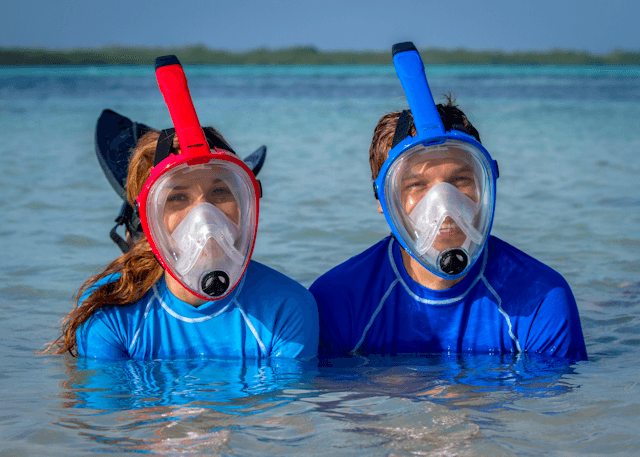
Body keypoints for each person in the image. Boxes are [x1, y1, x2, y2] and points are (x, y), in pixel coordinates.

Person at [310, 42, 587, 360]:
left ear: (487, 185)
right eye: (417, 184)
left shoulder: (540, 297)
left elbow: (558, 407)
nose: (443, 203)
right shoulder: (338, 300)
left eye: (460, 180)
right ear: (383, 200)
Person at [45, 56, 318, 360]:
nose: (204, 217)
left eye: (220, 192)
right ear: (148, 218)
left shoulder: (287, 309)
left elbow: (288, 406)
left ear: (245, 204)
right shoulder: (110, 313)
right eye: (177, 198)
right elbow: (109, 408)